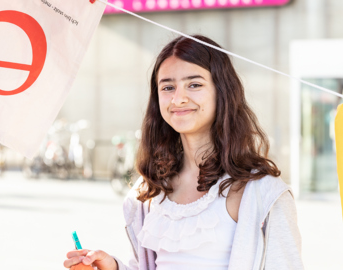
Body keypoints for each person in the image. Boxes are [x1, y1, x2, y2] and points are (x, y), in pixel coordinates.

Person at [64, 34, 304, 270]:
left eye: (195, 84)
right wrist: (112, 268)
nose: (178, 99)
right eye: (168, 87)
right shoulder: (149, 192)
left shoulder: (261, 191)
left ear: (222, 91)